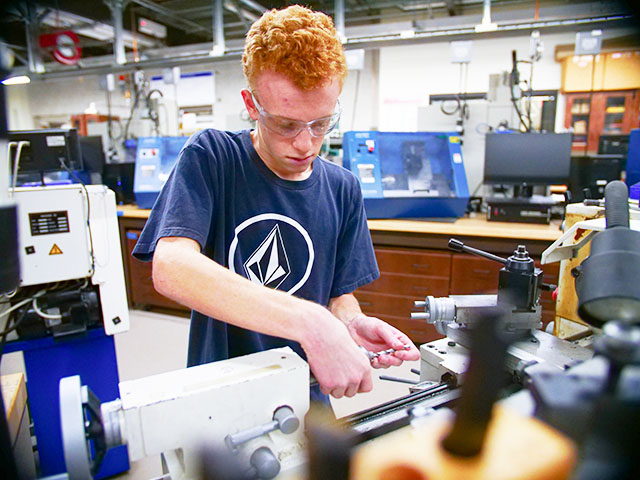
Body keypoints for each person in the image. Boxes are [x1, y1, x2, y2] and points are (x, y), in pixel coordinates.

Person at [132, 5, 419, 403]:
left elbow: (338, 295)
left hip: (305, 391)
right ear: (252, 105)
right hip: (221, 390)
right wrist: (311, 323)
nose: (306, 143)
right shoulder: (214, 158)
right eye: (286, 124)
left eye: (321, 123)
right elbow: (172, 267)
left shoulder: (343, 188)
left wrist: (349, 323)